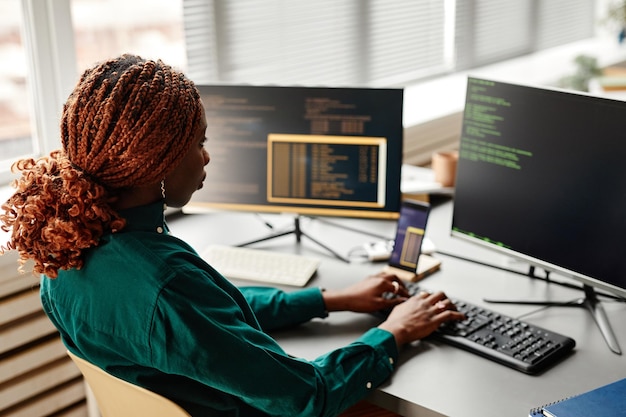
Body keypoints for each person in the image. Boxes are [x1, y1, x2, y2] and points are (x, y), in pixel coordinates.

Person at [0, 54, 464, 417]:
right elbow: (306, 397)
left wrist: (331, 299)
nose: (206, 158)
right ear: (157, 164)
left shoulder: (67, 246)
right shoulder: (166, 285)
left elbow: (207, 322)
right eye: (199, 143)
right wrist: (393, 333)